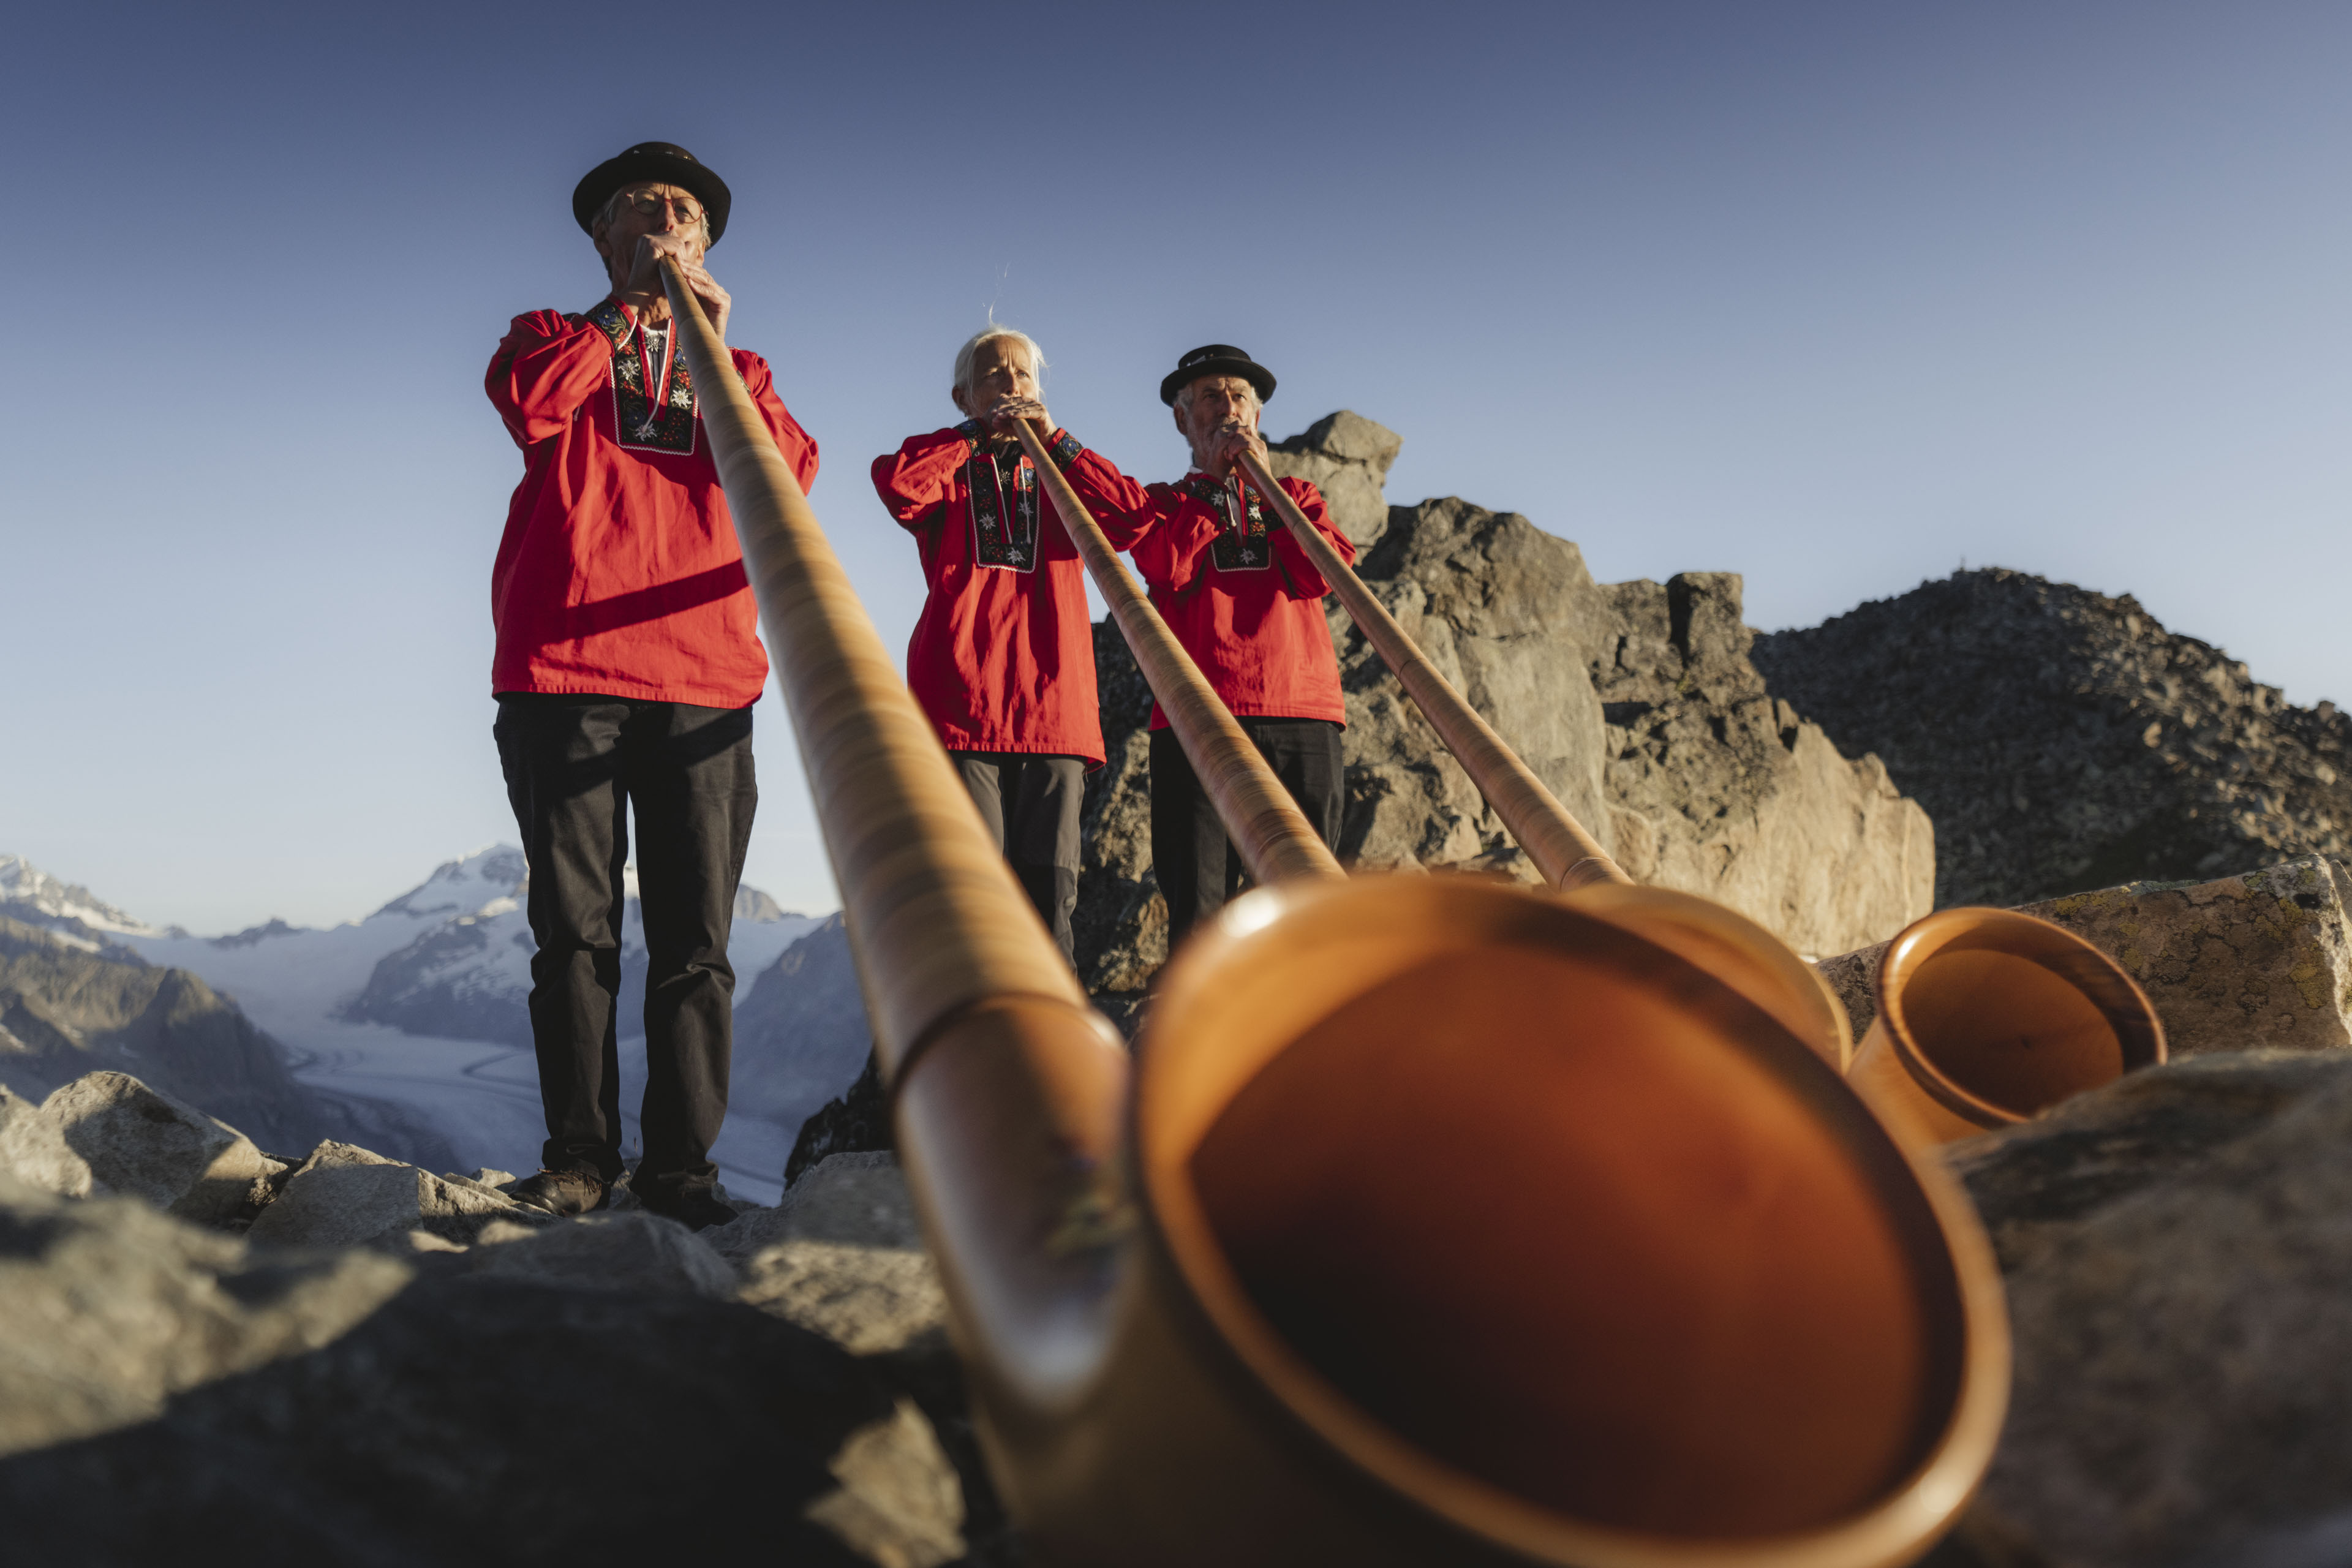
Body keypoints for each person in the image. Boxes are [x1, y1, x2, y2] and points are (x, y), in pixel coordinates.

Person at [484, 142, 818, 1229]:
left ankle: (681, 1173)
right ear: (604, 235)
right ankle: (580, 1160)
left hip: (707, 678)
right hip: (562, 670)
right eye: (644, 204)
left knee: (696, 946)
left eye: (686, 211)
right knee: (573, 935)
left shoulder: (742, 370)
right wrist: (626, 316)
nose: (669, 218)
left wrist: (708, 345)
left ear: (707, 246)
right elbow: (534, 405)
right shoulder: (551, 335)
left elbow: (788, 484)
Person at [870, 330, 1150, 960]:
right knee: (973, 903)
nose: (1012, 384)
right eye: (994, 375)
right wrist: (976, 435)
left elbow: (1133, 519)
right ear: (962, 395)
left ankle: (1055, 1054)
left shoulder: (1062, 470)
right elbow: (898, 486)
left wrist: (1056, 441)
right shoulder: (947, 462)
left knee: (1051, 905)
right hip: (960, 709)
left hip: (1057, 715)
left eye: (1023, 374)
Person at [1065, 345, 1355, 939]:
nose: (1229, 408)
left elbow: (1327, 574)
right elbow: (1165, 565)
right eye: (1210, 397)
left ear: (1258, 415)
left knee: (1310, 907)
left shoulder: (1296, 496)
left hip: (1301, 711)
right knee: (1202, 911)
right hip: (1197, 717)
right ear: (1182, 419)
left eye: (1240, 397)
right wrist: (1216, 492)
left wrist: (1263, 491)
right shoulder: (1168, 502)